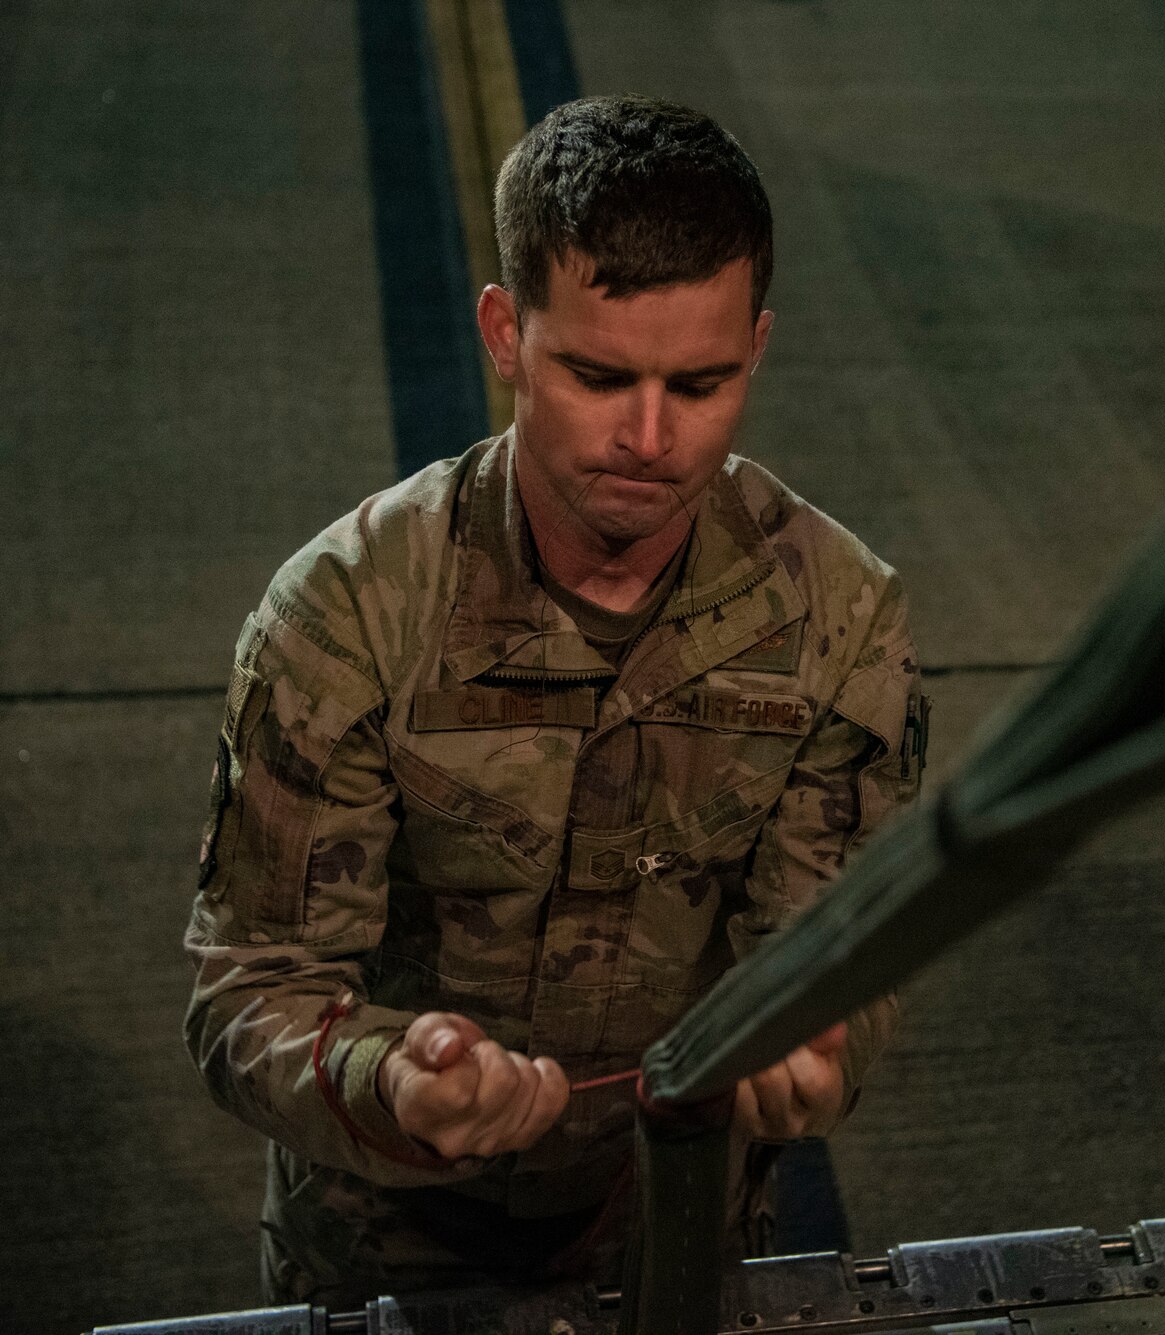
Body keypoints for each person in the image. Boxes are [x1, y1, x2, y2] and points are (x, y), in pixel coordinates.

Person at [184, 95, 926, 1305]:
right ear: (502, 333)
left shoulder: (837, 621)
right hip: (388, 1246)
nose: (648, 438)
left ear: (759, 349)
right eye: (595, 374)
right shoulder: (350, 615)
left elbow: (836, 954)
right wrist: (393, 1082)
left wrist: (817, 1054)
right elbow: (249, 989)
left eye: (700, 385)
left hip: (676, 1231)